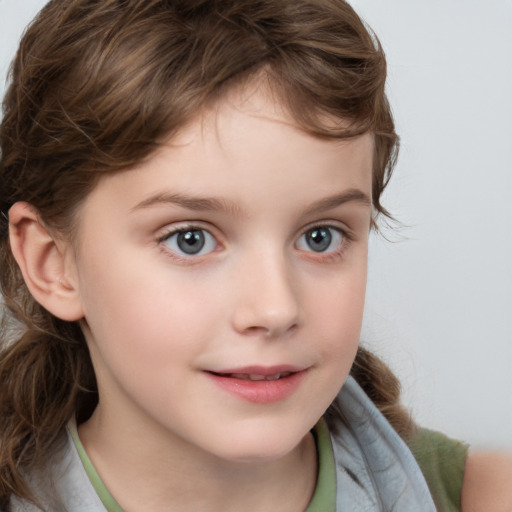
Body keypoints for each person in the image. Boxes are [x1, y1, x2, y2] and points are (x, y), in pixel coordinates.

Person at [0, 0, 510, 511]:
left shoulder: (483, 497)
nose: (276, 309)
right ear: (52, 264)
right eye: (190, 239)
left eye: (320, 237)